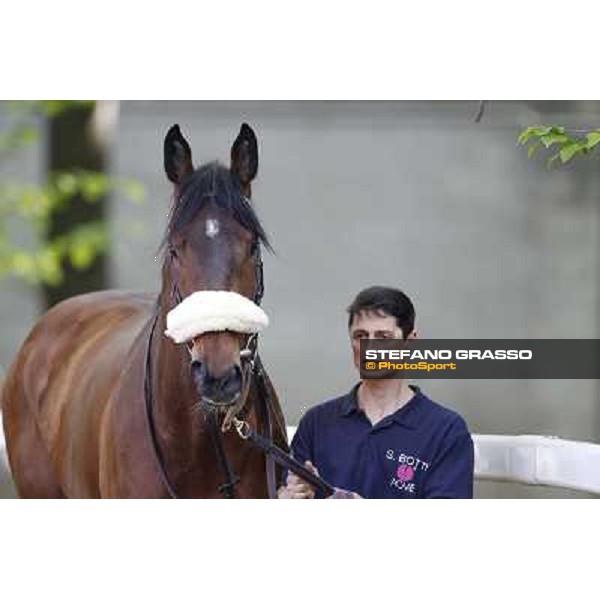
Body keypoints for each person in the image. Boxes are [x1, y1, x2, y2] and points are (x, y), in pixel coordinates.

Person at [278, 286, 474, 499]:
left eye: (383, 336)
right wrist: (288, 497)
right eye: (360, 335)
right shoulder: (316, 423)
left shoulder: (445, 431)